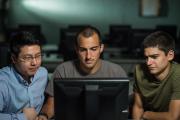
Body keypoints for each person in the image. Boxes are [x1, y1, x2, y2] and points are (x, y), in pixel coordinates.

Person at [37, 26, 127, 119]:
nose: (88, 56)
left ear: (101, 48)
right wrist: (44, 115)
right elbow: (52, 103)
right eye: (83, 50)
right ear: (76, 49)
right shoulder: (63, 70)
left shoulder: (117, 71)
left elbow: (125, 106)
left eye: (93, 49)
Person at [0, 31, 48, 120]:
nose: (35, 63)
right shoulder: (2, 81)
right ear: (14, 59)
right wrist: (22, 117)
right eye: (28, 58)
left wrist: (43, 115)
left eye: (38, 56)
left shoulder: (42, 74)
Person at [132, 31, 180, 120]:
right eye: (146, 57)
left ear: (170, 55)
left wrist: (147, 115)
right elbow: (138, 107)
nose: (148, 63)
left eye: (154, 57)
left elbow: (173, 117)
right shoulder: (139, 70)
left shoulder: (178, 74)